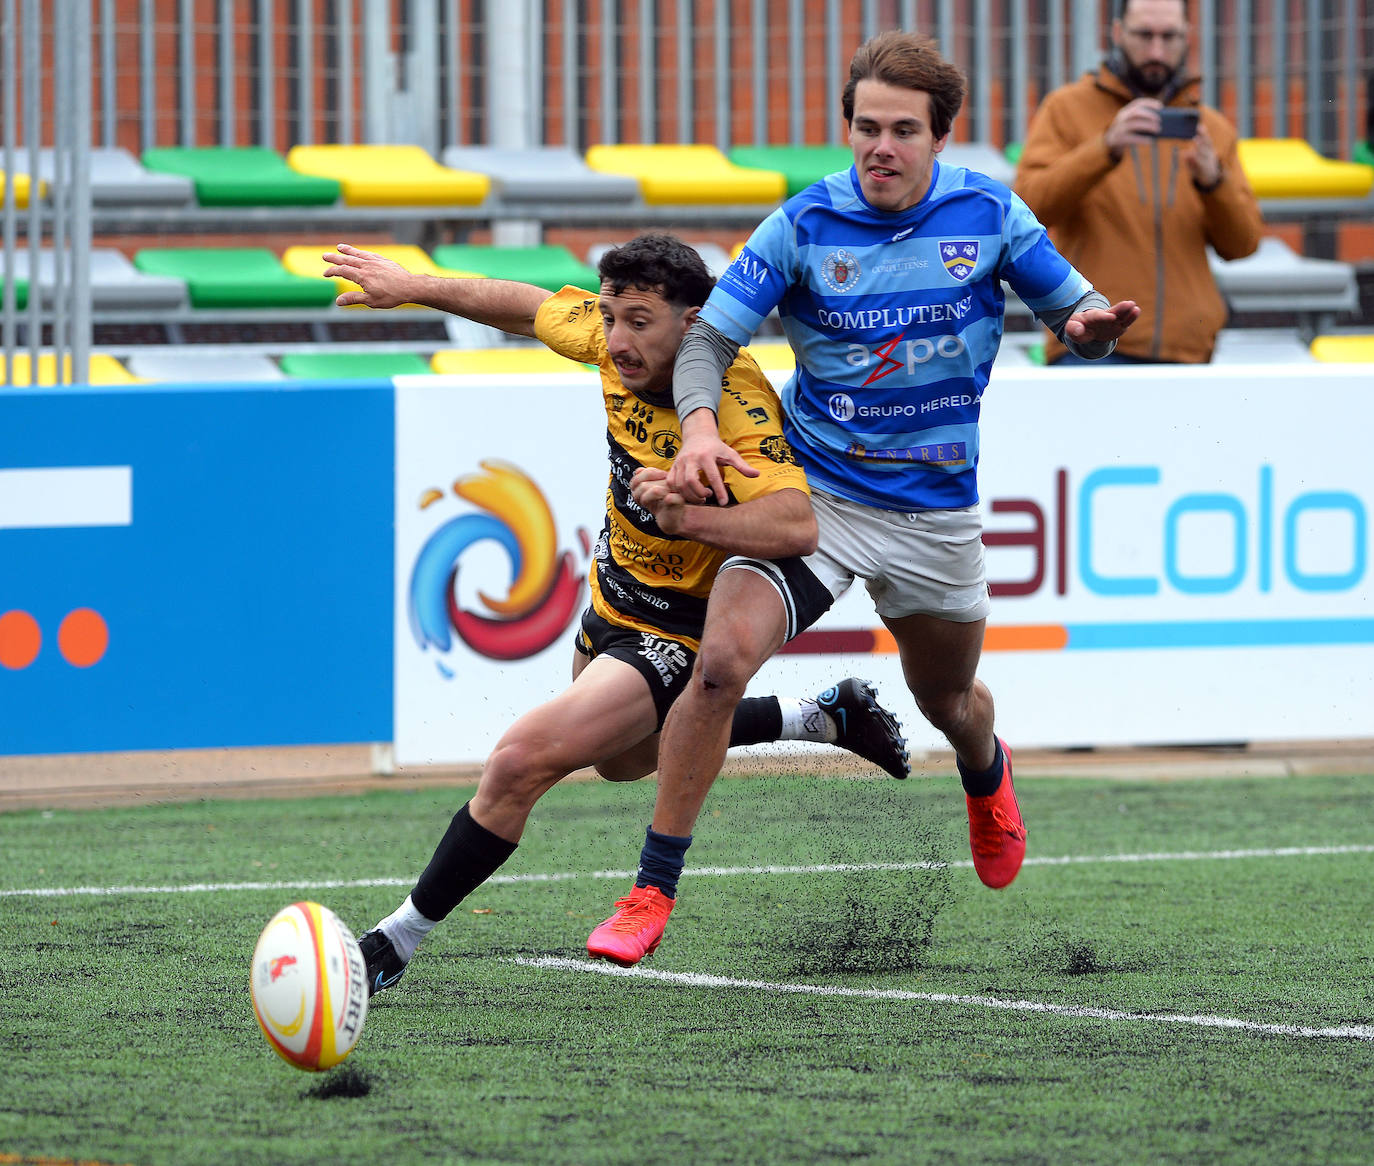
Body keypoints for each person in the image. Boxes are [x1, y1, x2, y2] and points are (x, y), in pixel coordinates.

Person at [583, 31, 1140, 967]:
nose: (880, 146)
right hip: (817, 499)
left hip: (934, 516)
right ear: (847, 128)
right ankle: (650, 889)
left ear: (938, 138)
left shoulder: (991, 215)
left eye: (903, 131)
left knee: (950, 700)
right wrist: (705, 429)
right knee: (719, 663)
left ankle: (985, 770)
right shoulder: (801, 227)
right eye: (865, 127)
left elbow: (1079, 317)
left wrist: (1090, 333)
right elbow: (708, 344)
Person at [318, 234, 910, 994]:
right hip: (611, 601)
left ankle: (393, 943)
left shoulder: (735, 401)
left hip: (676, 632)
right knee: (624, 761)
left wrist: (686, 522)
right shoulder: (609, 342)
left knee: (517, 762)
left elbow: (796, 526)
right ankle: (819, 717)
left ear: (695, 325)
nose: (618, 341)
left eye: (639, 322)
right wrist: (411, 284)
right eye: (611, 318)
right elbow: (525, 306)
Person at [1014, 0, 1262, 365]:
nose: (1157, 51)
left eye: (1169, 36)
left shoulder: (1210, 127)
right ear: (1117, 33)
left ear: (1187, 38)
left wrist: (1214, 183)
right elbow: (1027, 209)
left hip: (1187, 349)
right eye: (1144, 35)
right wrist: (1105, 148)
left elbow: (1243, 244)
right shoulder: (1066, 109)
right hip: (1091, 343)